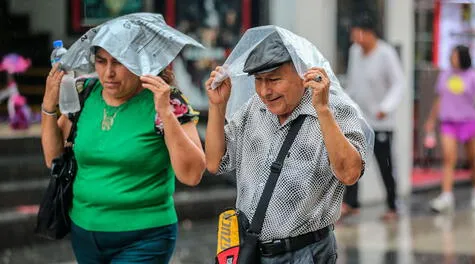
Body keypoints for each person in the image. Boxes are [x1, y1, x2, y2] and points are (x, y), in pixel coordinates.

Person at [41, 19, 206, 264]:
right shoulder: (84, 92)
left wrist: (166, 113)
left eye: (118, 62)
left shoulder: (166, 99)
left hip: (145, 237)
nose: (108, 73)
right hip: (84, 232)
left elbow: (192, 174)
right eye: (101, 61)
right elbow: (53, 158)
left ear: (139, 62)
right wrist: (48, 105)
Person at [205, 28, 369, 263]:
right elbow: (213, 162)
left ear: (303, 72)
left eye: (274, 80)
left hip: (306, 253)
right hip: (252, 252)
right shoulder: (254, 109)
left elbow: (350, 173)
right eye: (258, 81)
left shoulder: (334, 109)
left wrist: (323, 110)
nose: (264, 91)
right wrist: (217, 107)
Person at [343, 12, 405, 221]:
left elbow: (398, 84)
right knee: (354, 160)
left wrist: (385, 107)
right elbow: (353, 83)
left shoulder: (385, 53)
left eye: (358, 34)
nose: (355, 39)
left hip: (381, 121)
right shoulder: (355, 52)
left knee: (384, 163)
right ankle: (352, 202)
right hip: (360, 119)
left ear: (369, 34)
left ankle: (392, 205)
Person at [424, 45, 475, 213]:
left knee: (473, 159)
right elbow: (439, 99)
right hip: (448, 122)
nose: (451, 58)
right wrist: (431, 120)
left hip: (468, 121)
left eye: (455, 56)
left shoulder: (472, 76)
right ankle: (447, 195)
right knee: (449, 159)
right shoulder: (445, 75)